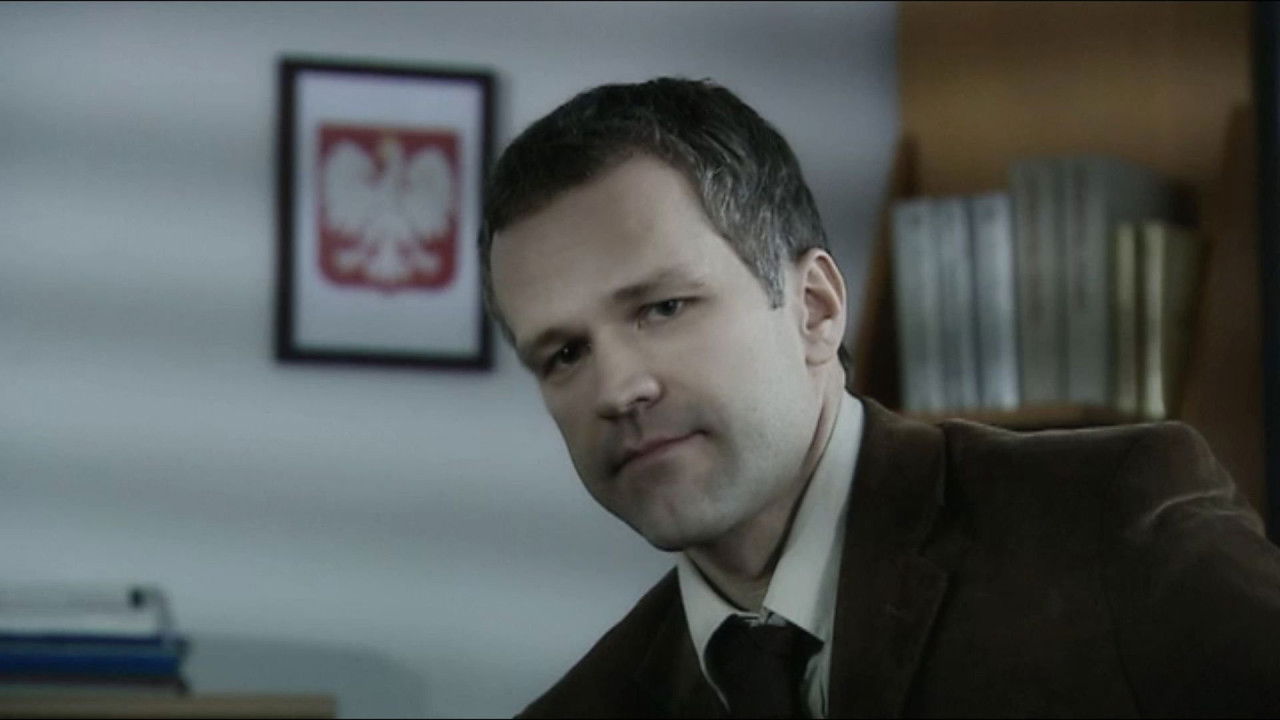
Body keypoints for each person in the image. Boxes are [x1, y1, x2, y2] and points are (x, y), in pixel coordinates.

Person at [481, 77, 1280, 718]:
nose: (618, 388)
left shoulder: (1108, 526)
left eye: (663, 307)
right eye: (564, 354)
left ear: (815, 309)